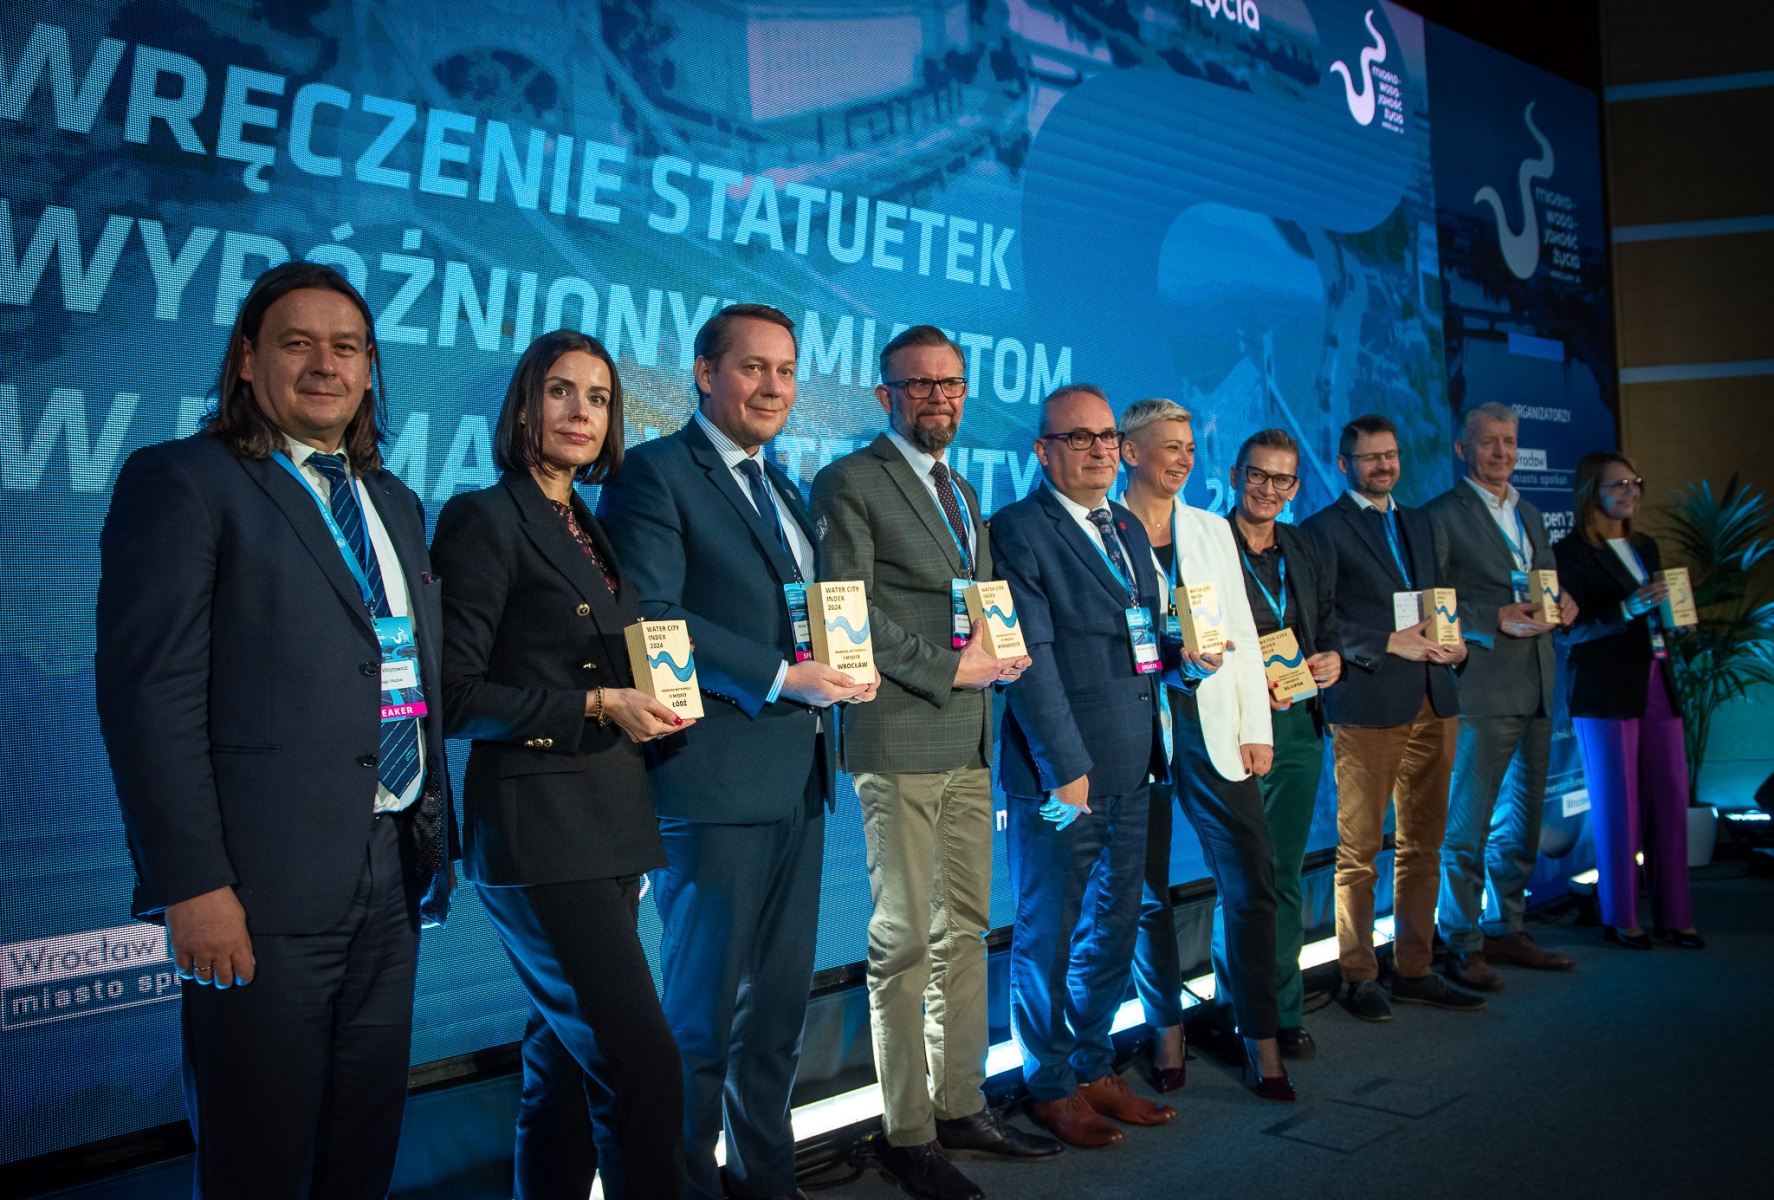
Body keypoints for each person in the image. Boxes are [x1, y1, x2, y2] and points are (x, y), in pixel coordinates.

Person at [94, 262, 455, 1198]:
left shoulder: (394, 502)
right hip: (259, 887)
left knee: (362, 1150)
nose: (325, 365)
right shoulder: (184, 481)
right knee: (257, 1159)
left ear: (370, 370)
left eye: (347, 348)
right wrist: (192, 886)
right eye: (298, 344)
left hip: (393, 869)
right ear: (248, 360)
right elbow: (149, 701)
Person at [598, 304, 877, 1200]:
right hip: (712, 786)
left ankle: (767, 1182)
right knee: (702, 1020)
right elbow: (651, 615)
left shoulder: (784, 487)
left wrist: (844, 668)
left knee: (777, 1015)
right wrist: (782, 676)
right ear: (704, 373)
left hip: (798, 780)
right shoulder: (654, 473)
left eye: (786, 371)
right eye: (753, 367)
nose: (773, 387)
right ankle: (684, 1184)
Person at [431, 330, 688, 1199]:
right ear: (523, 408)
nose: (581, 412)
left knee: (567, 1071)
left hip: (608, 822)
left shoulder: (586, 523)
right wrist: (593, 703)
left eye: (599, 398)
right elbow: (455, 694)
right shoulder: (482, 518)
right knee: (643, 1069)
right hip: (540, 830)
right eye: (560, 392)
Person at [810, 327, 1058, 1200]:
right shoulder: (849, 481)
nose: (938, 399)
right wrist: (951, 668)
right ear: (886, 396)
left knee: (966, 932)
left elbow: (973, 603)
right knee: (905, 940)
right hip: (901, 736)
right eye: (918, 385)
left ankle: (961, 1106)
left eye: (950, 384)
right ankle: (907, 1132)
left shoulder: (961, 487)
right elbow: (844, 610)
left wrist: (1000, 650)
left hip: (970, 738)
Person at [990, 385, 1217, 1149]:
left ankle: (1092, 1065)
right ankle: (1049, 1084)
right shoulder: (1019, 530)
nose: (1097, 449)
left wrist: (1185, 662)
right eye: (1077, 437)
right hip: (1062, 777)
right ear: (1043, 450)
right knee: (1049, 934)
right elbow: (1030, 659)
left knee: (1115, 928)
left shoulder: (1123, 524)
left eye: (1106, 437)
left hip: (1135, 763)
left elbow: (1143, 635)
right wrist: (1064, 766)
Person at [1117, 400, 1293, 1100]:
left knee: (1250, 881)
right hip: (1139, 727)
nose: (1185, 458)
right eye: (1170, 446)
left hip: (1213, 724)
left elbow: (1243, 635)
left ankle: (1260, 1034)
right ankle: (1166, 1027)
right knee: (1145, 893)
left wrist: (1257, 728)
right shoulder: (1104, 526)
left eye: (1190, 447)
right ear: (1130, 451)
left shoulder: (1211, 528)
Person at [1302, 414, 1483, 1022]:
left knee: (1424, 845)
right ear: (1344, 464)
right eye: (1371, 457)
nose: (1384, 465)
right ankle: (1359, 974)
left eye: (1391, 455)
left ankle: (1415, 968)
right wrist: (1386, 643)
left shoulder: (1420, 522)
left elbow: (1438, 599)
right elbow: (1320, 620)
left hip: (1435, 697)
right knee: (1359, 852)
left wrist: (1456, 644)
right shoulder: (1322, 529)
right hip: (1368, 704)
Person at [1425, 402, 1579, 992]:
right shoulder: (1442, 514)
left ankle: (1506, 927)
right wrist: (1492, 617)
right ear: (1463, 449)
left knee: (1523, 825)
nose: (1502, 453)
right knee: (1468, 828)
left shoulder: (1530, 513)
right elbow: (1432, 599)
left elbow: (1545, 582)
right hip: (1484, 688)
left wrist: (1563, 603)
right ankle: (1461, 942)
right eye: (1489, 442)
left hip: (1538, 683)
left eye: (1510, 442)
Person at [1220, 429, 1343, 1059]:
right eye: (1258, 475)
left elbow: (1328, 622)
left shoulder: (1305, 545)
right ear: (1236, 475)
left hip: (1298, 724)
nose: (1269, 489)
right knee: (1245, 879)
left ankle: (1283, 1012)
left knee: (1285, 875)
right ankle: (1238, 1012)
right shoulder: (1208, 542)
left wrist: (1332, 660)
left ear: (1296, 487)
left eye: (1283, 479)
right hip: (1236, 723)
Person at [1554, 452, 1704, 950]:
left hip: (1657, 677)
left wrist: (1676, 618)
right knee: (1617, 808)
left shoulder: (1645, 545)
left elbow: (1656, 612)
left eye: (1634, 482)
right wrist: (1627, 608)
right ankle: (1621, 916)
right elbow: (1570, 632)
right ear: (1590, 492)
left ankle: (1676, 915)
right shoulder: (1568, 553)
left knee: (1670, 799)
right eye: (1617, 484)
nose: (1630, 491)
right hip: (1604, 690)